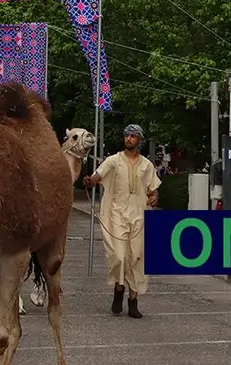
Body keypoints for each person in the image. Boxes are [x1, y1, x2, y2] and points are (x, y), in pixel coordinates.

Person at [83, 123, 160, 318]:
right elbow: (98, 175)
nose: (129, 139)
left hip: (139, 215)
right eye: (126, 136)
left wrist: (154, 196)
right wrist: (90, 181)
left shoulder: (146, 165)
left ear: (139, 140)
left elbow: (153, 189)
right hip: (117, 214)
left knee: (137, 258)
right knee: (119, 256)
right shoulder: (113, 160)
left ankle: (133, 301)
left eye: (133, 136)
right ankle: (119, 289)